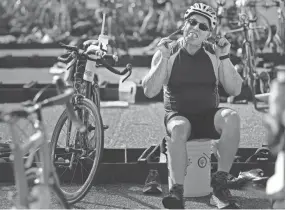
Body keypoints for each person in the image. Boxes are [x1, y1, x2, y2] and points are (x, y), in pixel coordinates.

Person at [142, 3, 243, 209]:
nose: (196, 28)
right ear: (184, 25)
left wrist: (224, 57)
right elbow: (149, 91)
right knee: (179, 128)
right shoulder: (168, 51)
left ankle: (220, 182)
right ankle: (177, 192)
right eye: (192, 22)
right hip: (178, 116)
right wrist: (163, 58)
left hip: (208, 116)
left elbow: (235, 90)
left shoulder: (214, 54)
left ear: (209, 34)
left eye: (203, 27)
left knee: (232, 117)